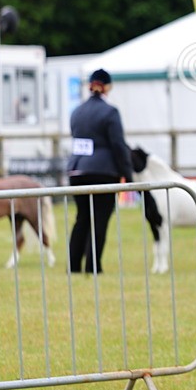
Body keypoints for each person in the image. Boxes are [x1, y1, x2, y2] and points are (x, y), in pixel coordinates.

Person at [67, 69, 133, 273]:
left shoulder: (77, 111)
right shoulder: (110, 112)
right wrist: (128, 174)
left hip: (77, 170)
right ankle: (93, 266)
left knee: (82, 218)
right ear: (108, 87)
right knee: (100, 219)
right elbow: (118, 145)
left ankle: (74, 265)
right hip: (103, 172)